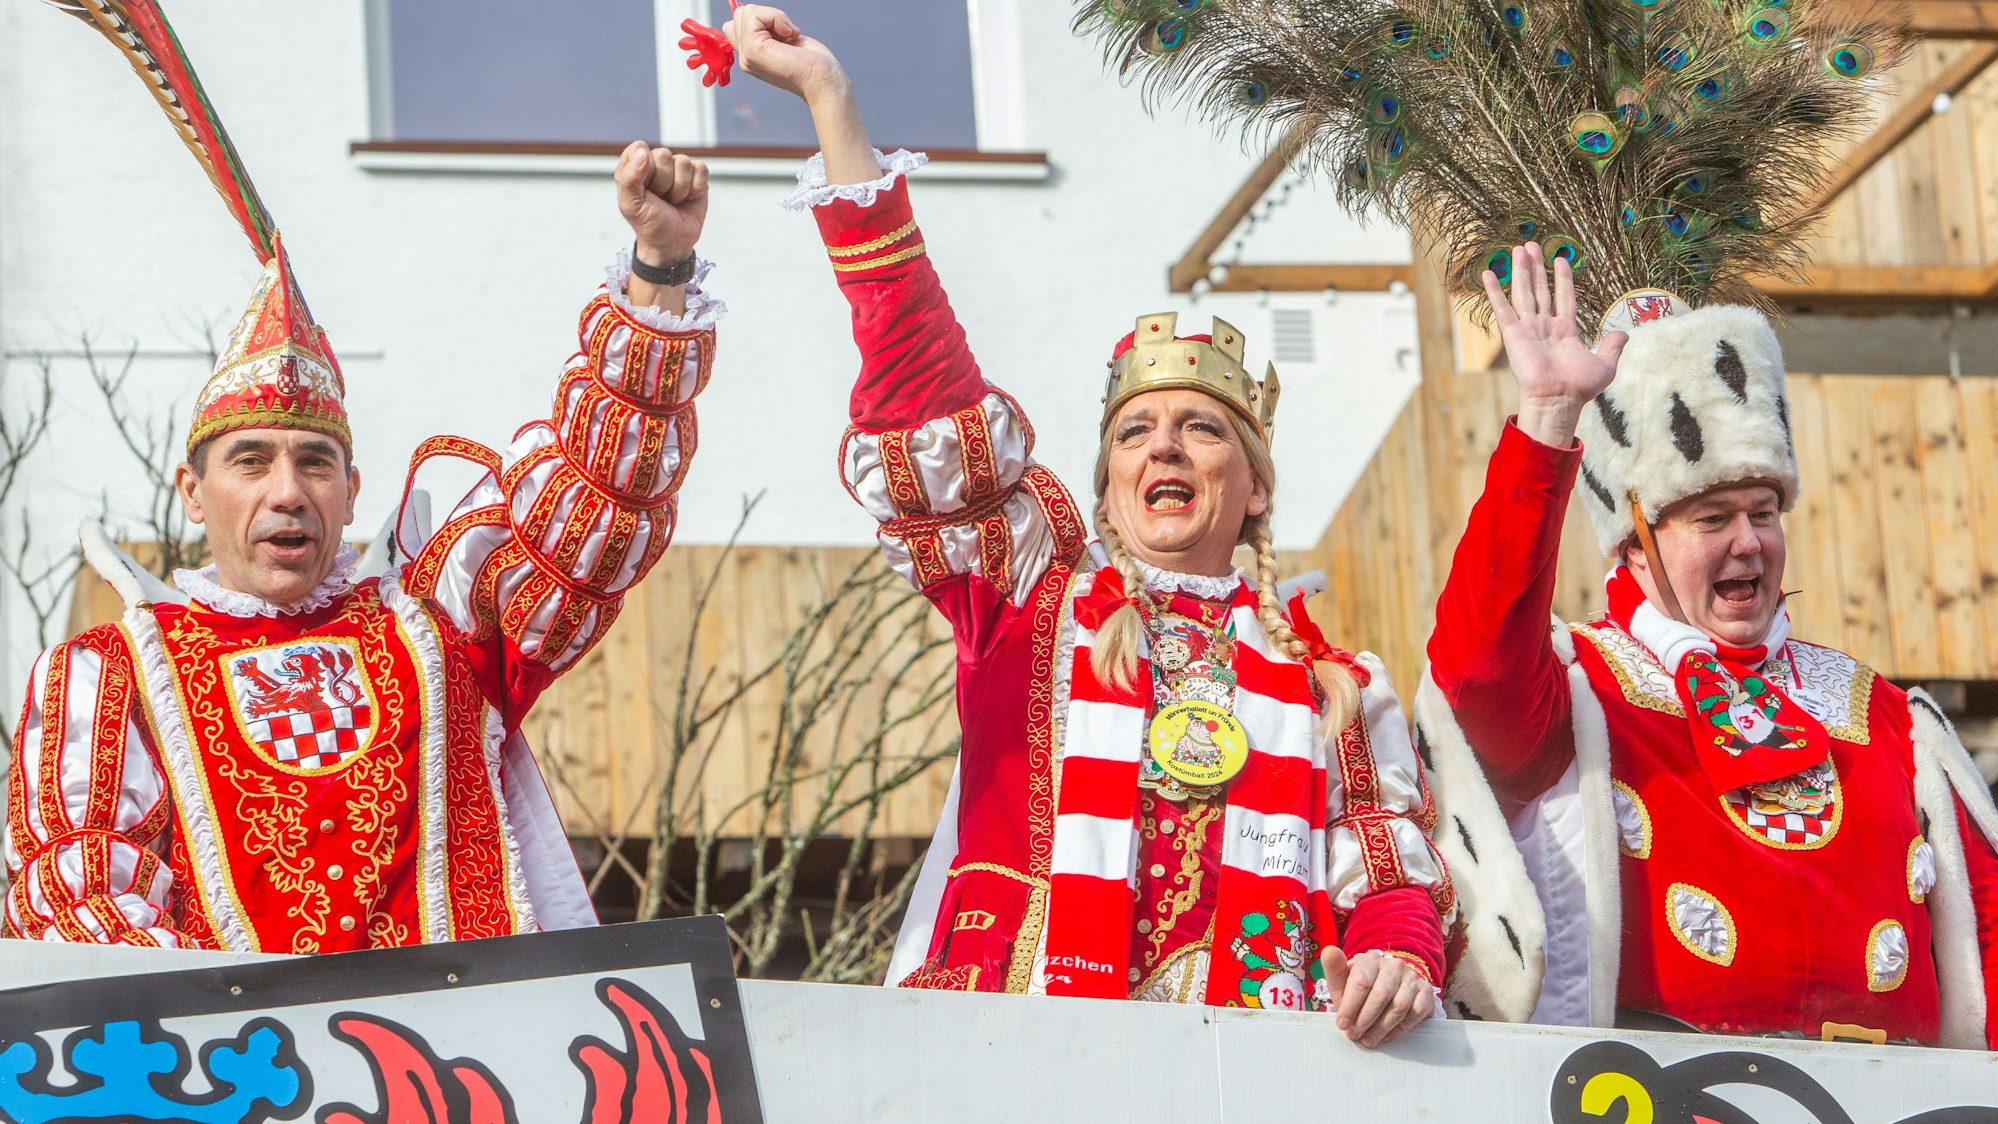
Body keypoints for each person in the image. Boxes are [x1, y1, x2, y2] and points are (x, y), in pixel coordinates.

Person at [721, 5, 1454, 1045]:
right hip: (1023, 1070)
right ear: (1108, 481)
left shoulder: (1336, 685)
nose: (1162, 449)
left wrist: (1394, 952)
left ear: (1253, 485)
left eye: (1201, 429)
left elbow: (1389, 875)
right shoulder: (1034, 597)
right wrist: (834, 109)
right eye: (1134, 433)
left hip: (1251, 1084)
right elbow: (928, 391)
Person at [6, 0, 723, 953]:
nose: (287, 490)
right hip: (255, 1087)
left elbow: (596, 510)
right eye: (249, 462)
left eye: (315, 463)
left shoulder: (442, 621)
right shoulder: (111, 674)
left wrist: (657, 269)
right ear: (192, 491)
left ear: (351, 489)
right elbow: (76, 906)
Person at [1421, 243, 1998, 1048]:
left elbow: (1989, 940)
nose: (1750, 544)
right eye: (1712, 519)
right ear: (1633, 543)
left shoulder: (1885, 713)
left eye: (1763, 512)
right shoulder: (1579, 688)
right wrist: (1548, 420)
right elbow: (1475, 670)